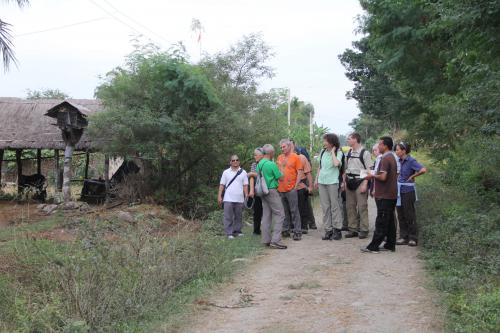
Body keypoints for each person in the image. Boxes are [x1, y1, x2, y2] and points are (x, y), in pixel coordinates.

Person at [362, 136, 398, 253]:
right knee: (390, 220)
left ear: (385, 146)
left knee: (381, 221)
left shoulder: (385, 159)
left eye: (380, 144)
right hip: (390, 194)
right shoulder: (392, 156)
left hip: (385, 195)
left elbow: (383, 177)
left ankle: (373, 246)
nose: (378, 146)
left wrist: (371, 176)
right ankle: (390, 244)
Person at [248, 144, 287, 249]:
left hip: (262, 192)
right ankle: (276, 240)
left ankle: (266, 239)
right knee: (280, 214)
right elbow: (281, 178)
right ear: (271, 153)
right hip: (271, 191)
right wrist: (282, 167)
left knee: (266, 215)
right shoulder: (271, 164)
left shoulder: (260, 164)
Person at [394, 142, 427, 246]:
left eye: (398, 149)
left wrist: (413, 176)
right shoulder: (399, 161)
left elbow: (423, 169)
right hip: (400, 191)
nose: (396, 151)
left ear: (404, 150)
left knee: (409, 214)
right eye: (396, 149)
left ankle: (413, 238)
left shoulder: (411, 160)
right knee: (401, 214)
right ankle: (403, 236)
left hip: (408, 190)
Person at [344, 133, 374, 239]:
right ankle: (352, 229)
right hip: (349, 181)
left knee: (362, 206)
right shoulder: (348, 153)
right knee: (350, 206)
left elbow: (369, 170)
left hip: (361, 180)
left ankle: (364, 229)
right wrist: (344, 182)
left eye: (349, 138)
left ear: (356, 140)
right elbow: (345, 169)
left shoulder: (365, 153)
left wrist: (365, 184)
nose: (348, 140)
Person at [315, 133, 344, 240]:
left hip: (332, 182)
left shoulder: (338, 152)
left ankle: (337, 229)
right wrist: (316, 179)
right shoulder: (322, 152)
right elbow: (320, 167)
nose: (324, 143)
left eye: (325, 141)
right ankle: (328, 230)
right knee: (325, 207)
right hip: (322, 181)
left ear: (331, 142)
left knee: (334, 206)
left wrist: (332, 152)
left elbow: (336, 164)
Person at [277, 139, 304, 241]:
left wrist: (295, 186)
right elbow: (278, 172)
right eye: (281, 147)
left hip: (291, 188)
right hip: (281, 188)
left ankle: (297, 232)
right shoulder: (279, 157)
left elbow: (300, 172)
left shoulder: (295, 157)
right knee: (284, 211)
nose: (282, 149)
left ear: (289, 146)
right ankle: (286, 229)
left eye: (284, 147)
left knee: (294, 210)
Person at [218, 155, 249, 239]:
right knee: (228, 216)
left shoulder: (243, 172)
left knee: (238, 216)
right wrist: (219, 196)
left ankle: (237, 231)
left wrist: (246, 195)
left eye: (237, 160)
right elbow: (222, 185)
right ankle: (229, 233)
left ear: (239, 161)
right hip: (228, 198)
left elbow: (245, 185)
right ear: (230, 162)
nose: (235, 161)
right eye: (233, 160)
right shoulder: (226, 172)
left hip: (240, 198)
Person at [291, 140, 315, 234]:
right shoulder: (284, 158)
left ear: (294, 146)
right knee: (292, 208)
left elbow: (308, 173)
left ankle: (304, 226)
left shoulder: (302, 157)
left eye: (291, 145)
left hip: (301, 185)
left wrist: (310, 186)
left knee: (303, 206)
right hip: (289, 187)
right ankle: (294, 226)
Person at [248, 148, 264, 235]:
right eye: (254, 155)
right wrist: (251, 190)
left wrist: (253, 173)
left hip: (266, 190)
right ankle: (256, 230)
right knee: (257, 211)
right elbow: (251, 178)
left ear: (261, 155)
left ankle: (266, 229)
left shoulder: (267, 162)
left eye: (256, 155)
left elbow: (264, 174)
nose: (254, 156)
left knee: (266, 211)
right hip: (257, 190)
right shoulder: (254, 164)